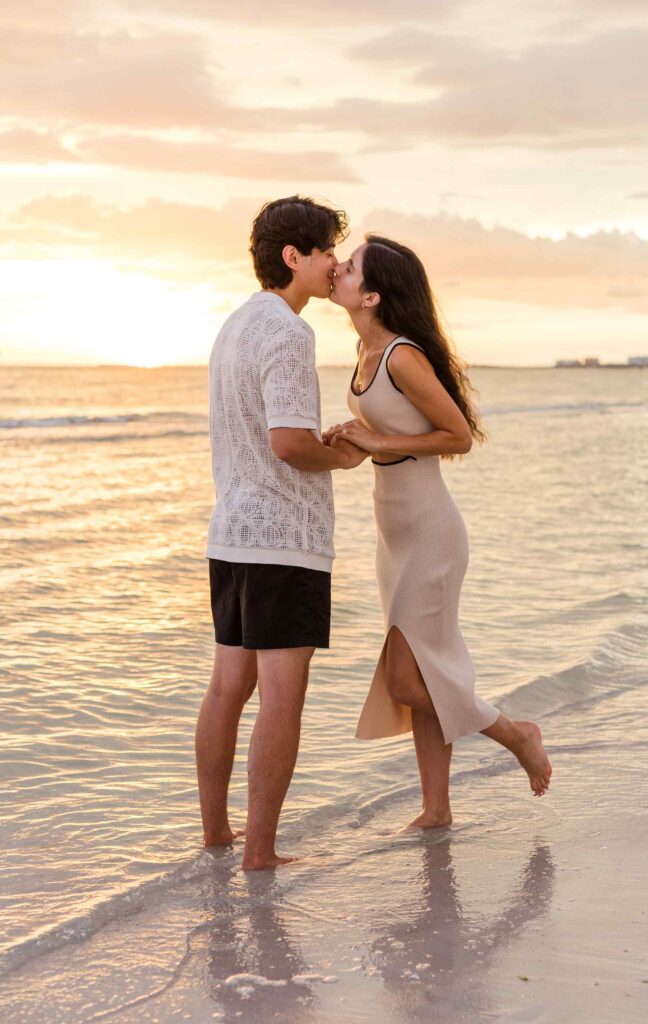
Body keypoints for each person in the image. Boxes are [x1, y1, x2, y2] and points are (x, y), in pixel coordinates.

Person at [325, 235, 552, 829]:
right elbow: (396, 430)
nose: (336, 269)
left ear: (372, 294)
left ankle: (516, 735)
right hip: (393, 537)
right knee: (424, 672)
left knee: (407, 678)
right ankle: (437, 809)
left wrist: (377, 440)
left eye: (348, 267)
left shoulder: (401, 355)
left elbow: (456, 436)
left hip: (430, 533)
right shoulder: (363, 349)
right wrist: (357, 432)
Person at [196, 196, 366, 871]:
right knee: (280, 699)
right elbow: (291, 443)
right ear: (294, 256)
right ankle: (260, 852)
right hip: (280, 541)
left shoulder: (236, 325)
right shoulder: (291, 334)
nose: (334, 265)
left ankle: (217, 835)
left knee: (225, 691)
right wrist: (344, 455)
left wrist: (310, 445)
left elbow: (270, 434)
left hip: (231, 533)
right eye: (327, 251)